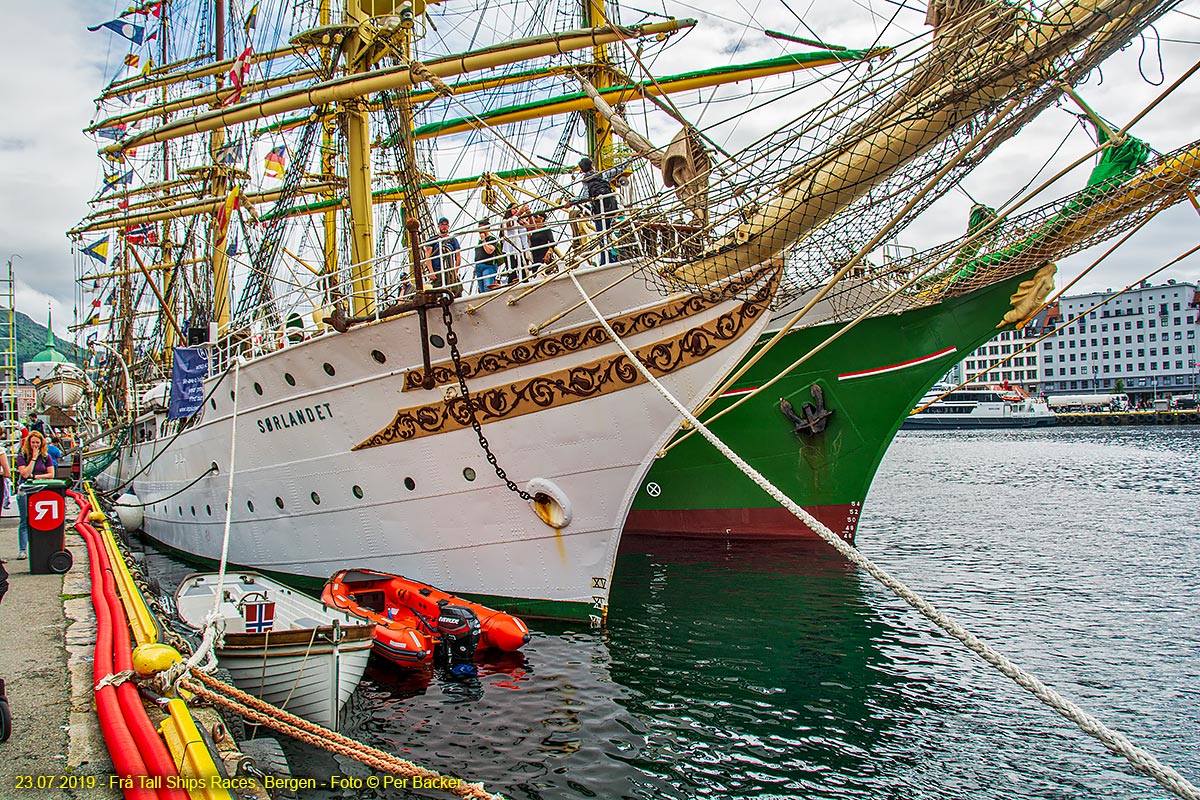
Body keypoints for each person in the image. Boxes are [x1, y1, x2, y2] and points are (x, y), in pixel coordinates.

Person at [574, 157, 620, 263]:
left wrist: (571, 201)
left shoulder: (586, 181)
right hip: (611, 208)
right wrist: (631, 158)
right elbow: (619, 169)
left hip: (599, 211)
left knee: (602, 236)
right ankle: (612, 258)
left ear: (582, 170)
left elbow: (584, 196)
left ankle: (606, 260)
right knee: (609, 233)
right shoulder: (603, 174)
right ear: (592, 166)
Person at [15, 431, 53, 559]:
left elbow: (51, 474)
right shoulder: (22, 455)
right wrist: (33, 458)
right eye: (33, 443)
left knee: (39, 519)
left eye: (37, 443)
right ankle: (22, 549)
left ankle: (40, 547)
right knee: (25, 519)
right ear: (28, 443)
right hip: (25, 490)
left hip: (40, 489)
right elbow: (24, 474)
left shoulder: (46, 457)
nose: (35, 445)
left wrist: (36, 477)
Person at [422, 217, 462, 296]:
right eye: (442, 225)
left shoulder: (452, 240)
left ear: (448, 226)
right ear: (439, 226)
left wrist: (456, 270)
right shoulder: (433, 239)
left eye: (446, 225)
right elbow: (428, 255)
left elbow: (458, 256)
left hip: (450, 271)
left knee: (457, 290)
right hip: (437, 270)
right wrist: (431, 272)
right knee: (438, 292)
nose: (444, 226)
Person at [499, 203, 530, 285]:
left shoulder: (520, 221)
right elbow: (507, 225)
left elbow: (531, 229)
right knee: (512, 269)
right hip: (510, 248)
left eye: (517, 208)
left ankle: (524, 281)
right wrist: (519, 212)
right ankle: (512, 283)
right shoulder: (505, 221)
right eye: (514, 208)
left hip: (521, 248)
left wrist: (529, 216)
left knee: (523, 269)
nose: (516, 210)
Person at [473, 222, 505, 293]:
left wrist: (484, 240)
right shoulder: (479, 242)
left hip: (488, 266)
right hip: (479, 267)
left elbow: (489, 251)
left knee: (487, 288)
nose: (479, 230)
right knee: (481, 290)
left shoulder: (492, 239)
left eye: (481, 227)